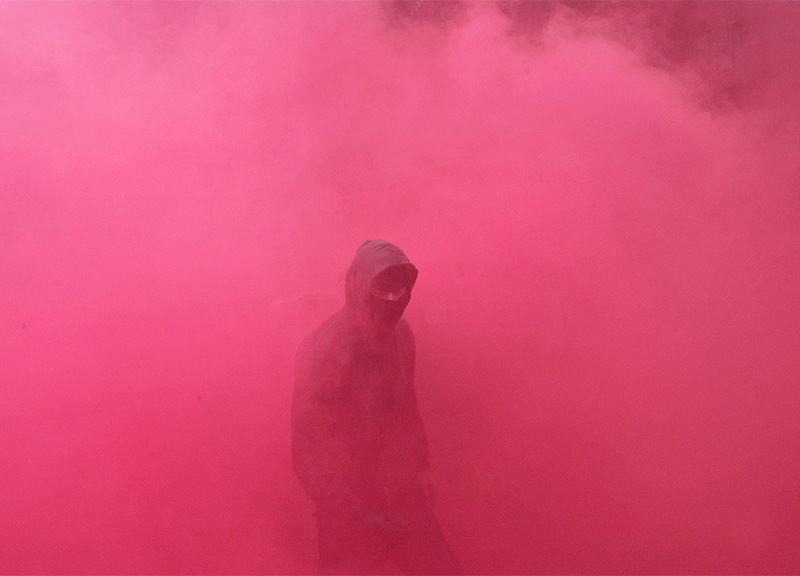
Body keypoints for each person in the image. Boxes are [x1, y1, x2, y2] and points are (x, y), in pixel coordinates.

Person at [291, 239, 461, 575]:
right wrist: (350, 511)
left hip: (400, 489)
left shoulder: (403, 337)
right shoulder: (322, 349)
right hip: (345, 502)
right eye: (382, 290)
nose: (393, 300)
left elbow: (406, 406)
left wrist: (421, 465)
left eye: (401, 290)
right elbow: (307, 449)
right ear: (358, 287)